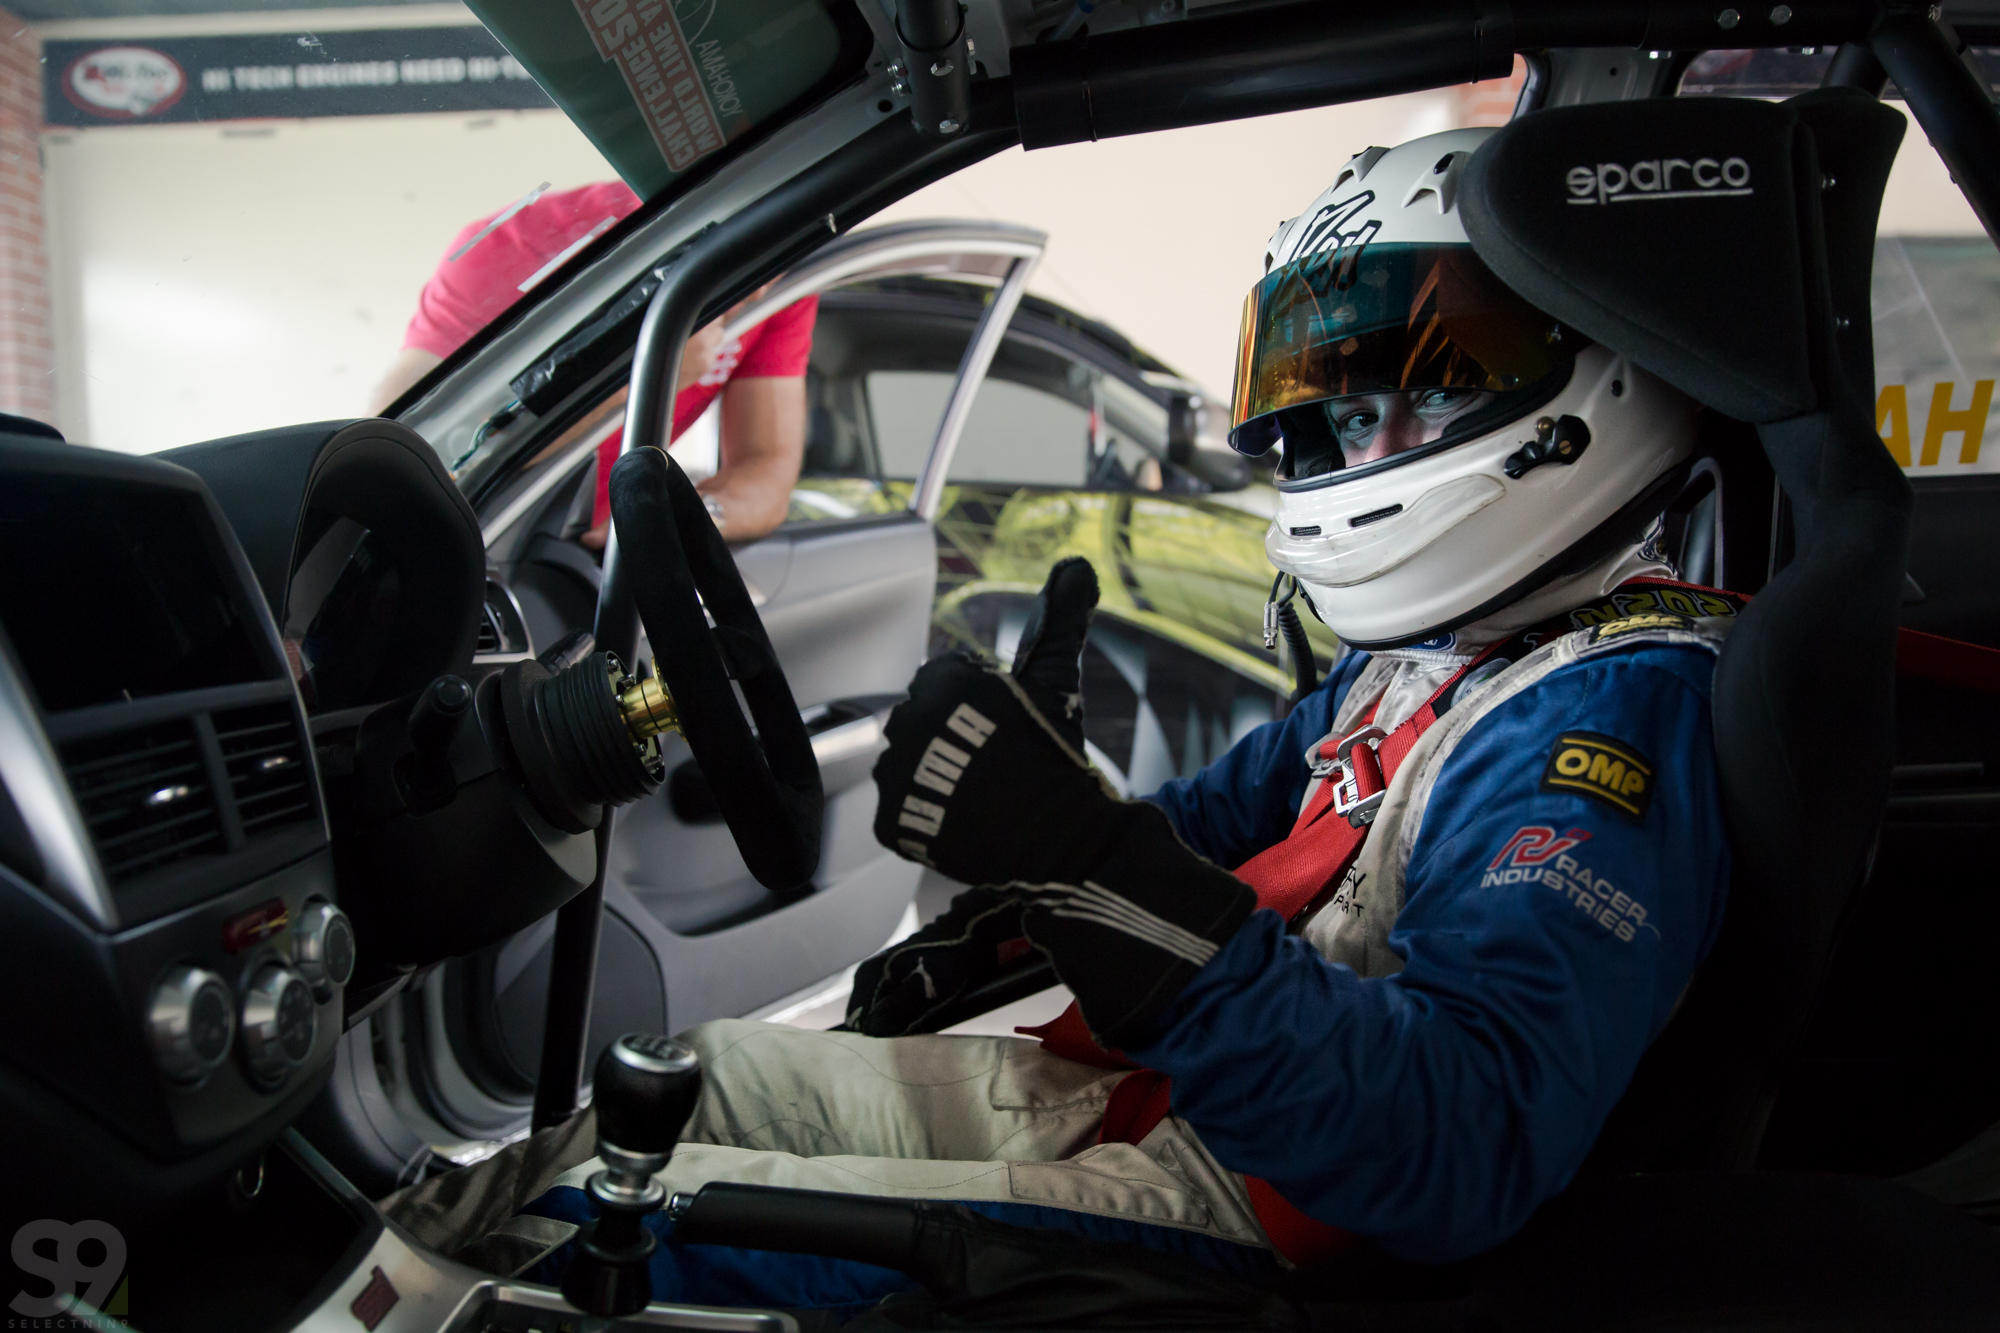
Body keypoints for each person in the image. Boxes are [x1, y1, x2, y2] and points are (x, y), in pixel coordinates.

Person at [381, 127, 1733, 1301]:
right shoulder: (1431, 660)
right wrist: (1054, 810)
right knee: (687, 1084)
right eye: (1341, 409)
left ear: (1592, 372)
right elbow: (1200, 836)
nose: (1361, 450)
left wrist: (1088, 861)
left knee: (619, 1225)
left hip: (1264, 1210)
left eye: (1429, 387)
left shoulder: (1606, 716)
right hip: (1175, 1104)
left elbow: (1454, 1147)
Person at [369, 180, 818, 543]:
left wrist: (677, 522)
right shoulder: (515, 242)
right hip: (456, 532)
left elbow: (767, 472)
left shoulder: (781, 285)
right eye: (747, 257)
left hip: (573, 550)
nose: (760, 291)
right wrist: (641, 372)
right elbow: (401, 456)